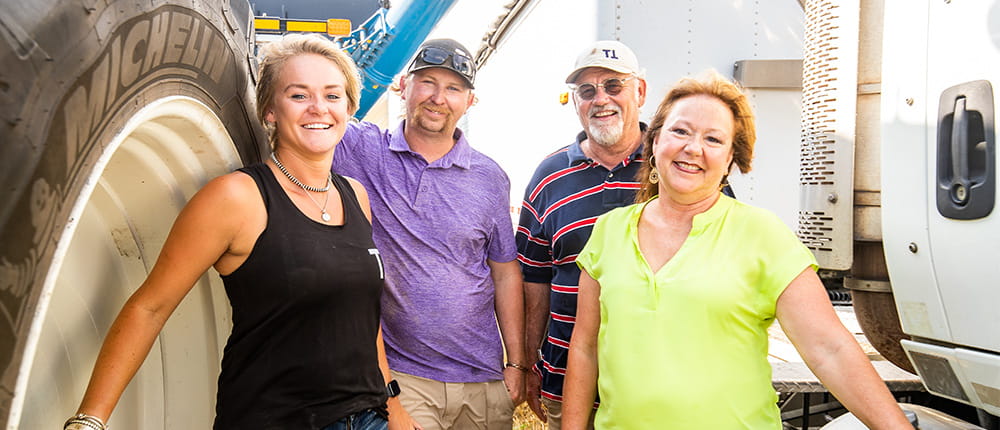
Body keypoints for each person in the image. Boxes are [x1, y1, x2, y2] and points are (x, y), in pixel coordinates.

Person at [63, 33, 412, 430]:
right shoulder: (236, 197)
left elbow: (363, 318)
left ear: (349, 108)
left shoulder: (355, 195)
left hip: (368, 419)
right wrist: (88, 421)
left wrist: (393, 405)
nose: (319, 108)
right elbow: (150, 307)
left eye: (333, 96)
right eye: (299, 96)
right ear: (269, 112)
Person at [560, 71, 912, 429]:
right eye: (680, 131)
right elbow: (585, 349)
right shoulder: (609, 231)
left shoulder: (762, 234)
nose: (693, 148)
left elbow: (830, 350)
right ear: (653, 142)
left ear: (730, 160)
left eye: (713, 139)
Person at [331, 38, 525, 430]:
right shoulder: (363, 149)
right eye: (428, 82)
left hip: (483, 380)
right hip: (406, 379)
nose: (439, 98)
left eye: (453, 88)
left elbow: (505, 273)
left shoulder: (490, 177)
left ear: (469, 101)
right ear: (403, 86)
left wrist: (516, 364)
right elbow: (314, 112)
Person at [515, 40, 648, 430]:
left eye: (613, 86)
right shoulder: (549, 176)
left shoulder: (673, 162)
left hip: (654, 385)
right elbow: (534, 278)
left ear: (639, 91)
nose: (600, 99)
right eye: (587, 91)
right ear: (575, 103)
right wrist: (528, 361)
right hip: (566, 383)